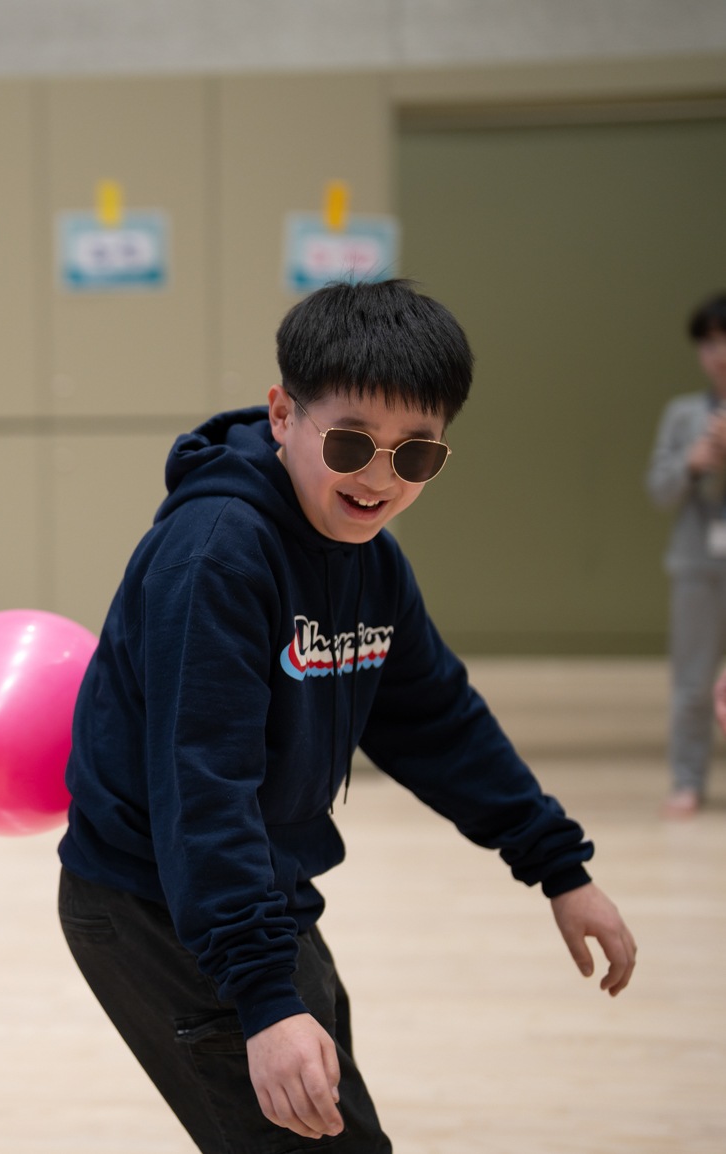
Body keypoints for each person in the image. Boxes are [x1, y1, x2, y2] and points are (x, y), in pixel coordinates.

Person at [59, 280, 637, 1152]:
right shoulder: (216, 556)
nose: (378, 477)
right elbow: (204, 788)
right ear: (282, 415)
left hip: (259, 890)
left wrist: (558, 866)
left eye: (415, 455)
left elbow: (437, 721)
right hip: (157, 902)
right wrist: (264, 1000)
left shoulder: (369, 561)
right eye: (351, 442)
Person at [646, 292, 726, 819]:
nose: (720, 353)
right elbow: (659, 490)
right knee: (693, 682)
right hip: (698, 566)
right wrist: (695, 462)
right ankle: (688, 780)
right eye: (710, 342)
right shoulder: (683, 415)